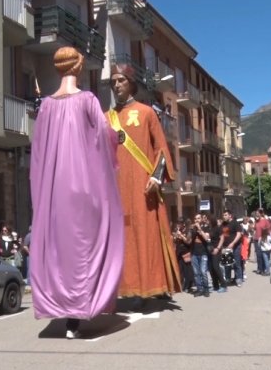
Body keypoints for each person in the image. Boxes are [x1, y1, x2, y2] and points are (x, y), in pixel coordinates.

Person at [29, 46, 124, 339]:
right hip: (83, 188)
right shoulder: (87, 100)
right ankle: (80, 310)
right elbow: (104, 136)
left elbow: (38, 153)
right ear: (79, 67)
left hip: (55, 190)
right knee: (88, 246)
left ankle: (65, 310)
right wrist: (117, 139)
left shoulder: (45, 106)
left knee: (60, 250)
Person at [107, 64, 181, 305]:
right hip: (115, 188)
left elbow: (161, 147)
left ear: (131, 84)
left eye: (120, 80)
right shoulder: (106, 118)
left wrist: (156, 176)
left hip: (142, 185)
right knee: (120, 240)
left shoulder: (147, 112)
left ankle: (149, 288)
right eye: (113, 81)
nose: (116, 85)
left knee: (144, 236)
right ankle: (120, 289)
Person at [216, 210, 244, 286]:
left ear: (230, 215)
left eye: (225, 215)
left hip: (235, 246)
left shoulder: (235, 223)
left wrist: (233, 243)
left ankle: (238, 279)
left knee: (236, 263)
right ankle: (228, 279)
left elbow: (239, 234)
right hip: (226, 247)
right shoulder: (223, 224)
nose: (224, 216)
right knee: (227, 264)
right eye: (223, 215)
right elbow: (221, 234)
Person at [189, 214, 211, 297]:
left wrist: (199, 229)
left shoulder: (206, 227)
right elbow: (189, 240)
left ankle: (206, 289)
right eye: (195, 218)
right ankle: (199, 289)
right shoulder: (193, 229)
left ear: (201, 219)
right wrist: (190, 230)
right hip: (194, 253)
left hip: (203, 253)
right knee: (196, 273)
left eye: (198, 218)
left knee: (203, 271)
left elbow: (206, 238)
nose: (196, 220)